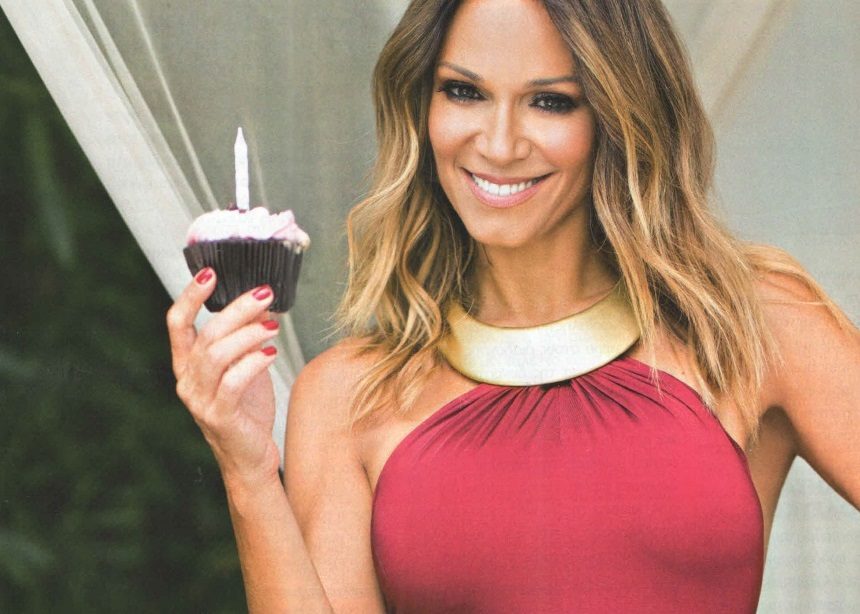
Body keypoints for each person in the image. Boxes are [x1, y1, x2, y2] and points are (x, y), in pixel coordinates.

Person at [166, 0, 859, 611]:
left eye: (550, 102)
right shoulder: (347, 397)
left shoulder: (753, 325)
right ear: (422, 107)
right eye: (464, 92)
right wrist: (248, 473)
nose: (498, 144)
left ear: (621, 114)